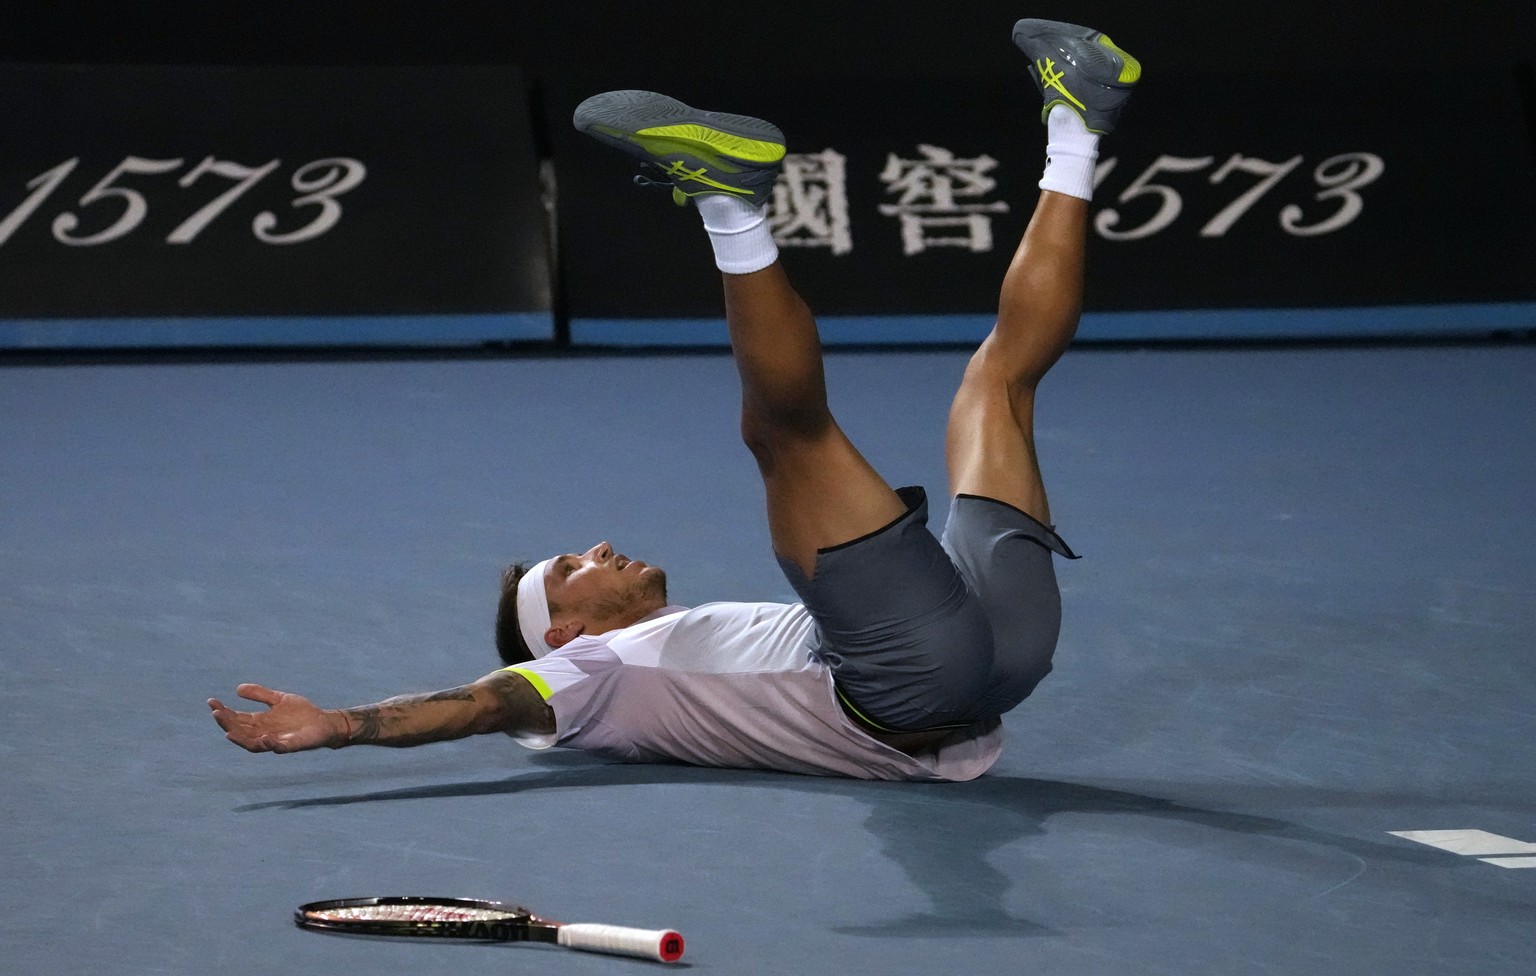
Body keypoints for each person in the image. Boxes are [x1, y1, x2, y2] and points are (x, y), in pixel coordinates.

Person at [209, 19, 1141, 782]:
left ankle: (1078, 118)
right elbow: (486, 702)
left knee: (1000, 381)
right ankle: (730, 202)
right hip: (913, 678)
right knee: (783, 435)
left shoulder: (672, 645)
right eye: (573, 565)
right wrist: (338, 723)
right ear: (563, 634)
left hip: (998, 663)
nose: (599, 546)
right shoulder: (585, 675)